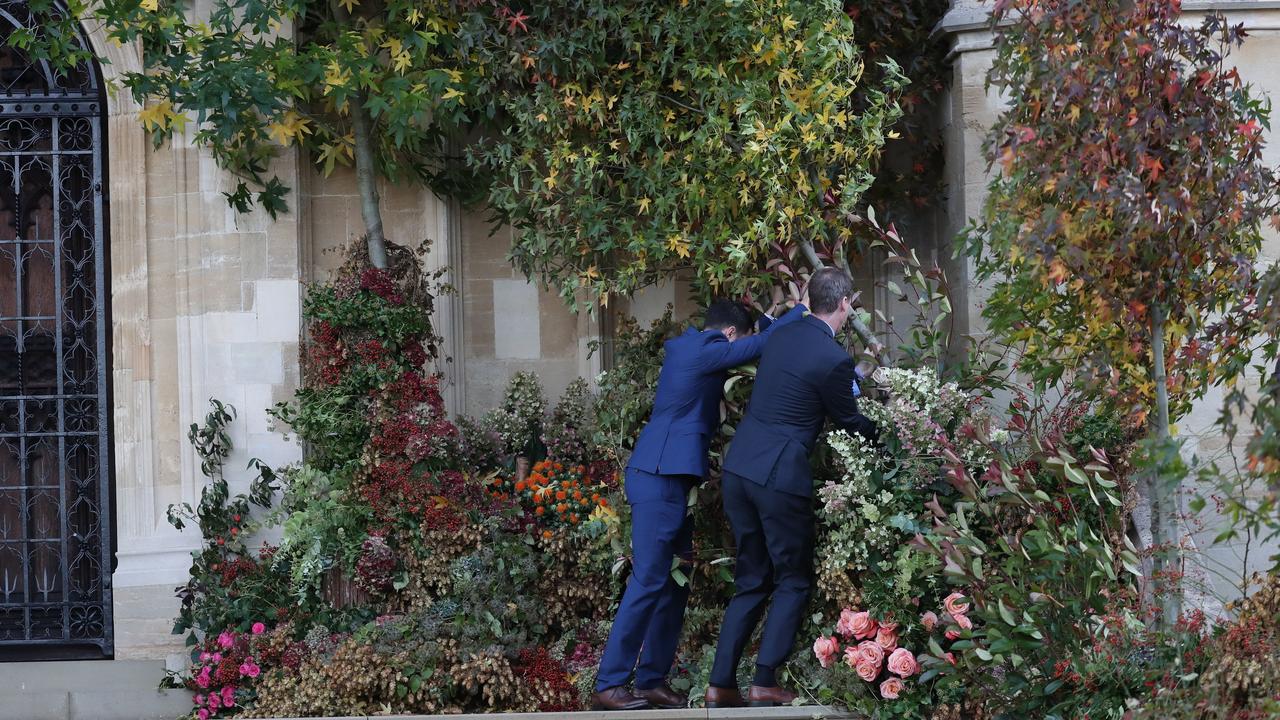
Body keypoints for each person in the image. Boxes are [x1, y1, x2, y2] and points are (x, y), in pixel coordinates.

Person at [591, 294, 809, 711]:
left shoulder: (698, 347)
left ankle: (652, 679)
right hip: (658, 476)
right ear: (728, 335)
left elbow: (752, 339)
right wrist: (805, 311)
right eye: (737, 340)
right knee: (650, 579)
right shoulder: (703, 348)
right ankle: (610, 683)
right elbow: (760, 346)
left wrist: (767, 315)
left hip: (674, 479)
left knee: (674, 584)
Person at [705, 267, 879, 708]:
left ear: (809, 298)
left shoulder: (782, 335)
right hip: (779, 477)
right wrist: (888, 428)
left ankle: (721, 682)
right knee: (793, 580)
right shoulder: (834, 359)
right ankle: (764, 681)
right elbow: (850, 422)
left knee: (751, 579)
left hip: (739, 468)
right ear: (845, 304)